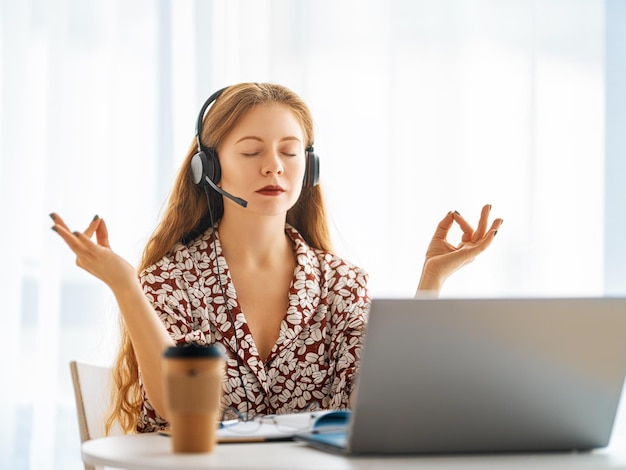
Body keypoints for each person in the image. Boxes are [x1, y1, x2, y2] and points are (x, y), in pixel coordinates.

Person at [50, 82, 503, 434]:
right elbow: (178, 405)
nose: (274, 167)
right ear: (207, 168)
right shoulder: (170, 280)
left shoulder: (342, 284)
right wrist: (125, 284)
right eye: (251, 151)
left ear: (310, 167)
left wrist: (431, 283)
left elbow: (381, 405)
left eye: (289, 151)